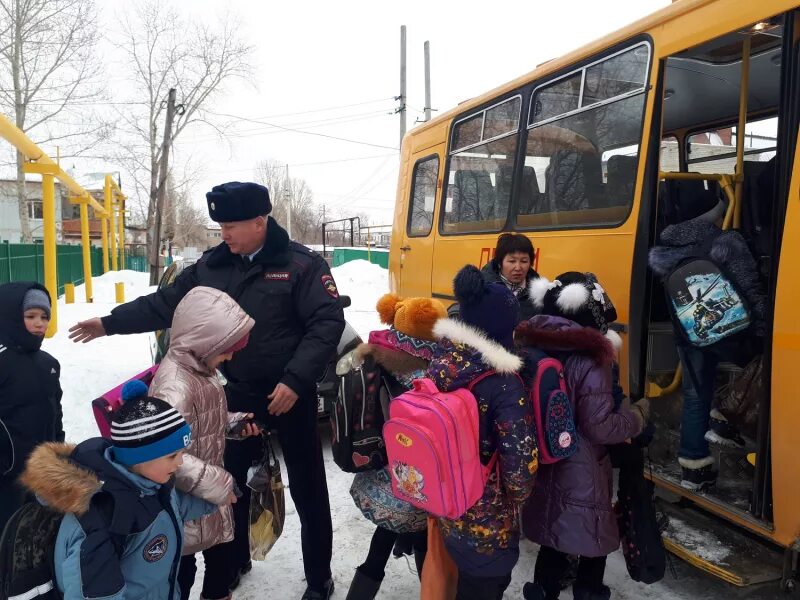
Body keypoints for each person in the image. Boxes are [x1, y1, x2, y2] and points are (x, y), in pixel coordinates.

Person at [68, 181, 346, 600]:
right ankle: (232, 565)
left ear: (260, 221)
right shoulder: (214, 265)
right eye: (220, 226)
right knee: (224, 486)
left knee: (308, 489)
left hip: (291, 393)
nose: (224, 234)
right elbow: (166, 305)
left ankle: (318, 577)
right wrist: (109, 322)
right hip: (236, 393)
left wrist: (295, 380)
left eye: (231, 225)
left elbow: (326, 324)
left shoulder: (301, 265)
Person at [517, 272, 648, 600]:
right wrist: (636, 419)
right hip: (582, 469)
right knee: (592, 541)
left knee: (553, 536)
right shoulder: (592, 359)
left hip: (546, 458)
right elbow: (599, 426)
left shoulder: (534, 343)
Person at [20, 390, 221, 600]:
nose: (180, 462)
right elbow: (95, 594)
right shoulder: (102, 518)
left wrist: (219, 493)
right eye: (172, 455)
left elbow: (175, 506)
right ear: (140, 457)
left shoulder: (153, 483)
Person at [428, 265, 538, 600]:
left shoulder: (441, 363)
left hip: (447, 501)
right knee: (486, 587)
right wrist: (519, 499)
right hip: (489, 519)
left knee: (465, 580)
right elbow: (520, 469)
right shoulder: (504, 384)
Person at [148, 286, 260, 600]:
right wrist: (219, 482)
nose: (231, 356)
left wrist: (234, 422)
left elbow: (205, 420)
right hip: (182, 501)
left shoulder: (204, 371)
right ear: (203, 342)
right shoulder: (174, 386)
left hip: (208, 495)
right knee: (182, 574)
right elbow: (166, 453)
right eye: (226, 348)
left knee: (221, 569)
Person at [649, 199, 765, 490]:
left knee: (694, 395)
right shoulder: (728, 242)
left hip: (689, 334)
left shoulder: (668, 249)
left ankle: (693, 469)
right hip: (728, 332)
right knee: (758, 369)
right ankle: (724, 417)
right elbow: (749, 288)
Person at [345, 293, 446, 599]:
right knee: (416, 531)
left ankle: (362, 590)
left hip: (384, 463)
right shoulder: (426, 372)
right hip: (414, 471)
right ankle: (429, 589)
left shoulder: (379, 353)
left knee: (392, 531)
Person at [0, 282, 63, 532]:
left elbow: (55, 412)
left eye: (45, 317)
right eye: (31, 316)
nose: (40, 323)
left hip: (40, 471)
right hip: (6, 476)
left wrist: (58, 450)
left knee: (35, 535)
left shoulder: (49, 363)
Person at [480, 233, 541, 320]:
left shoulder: (539, 294)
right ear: (500, 263)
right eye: (512, 261)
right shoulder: (482, 290)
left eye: (524, 261)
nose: (518, 267)